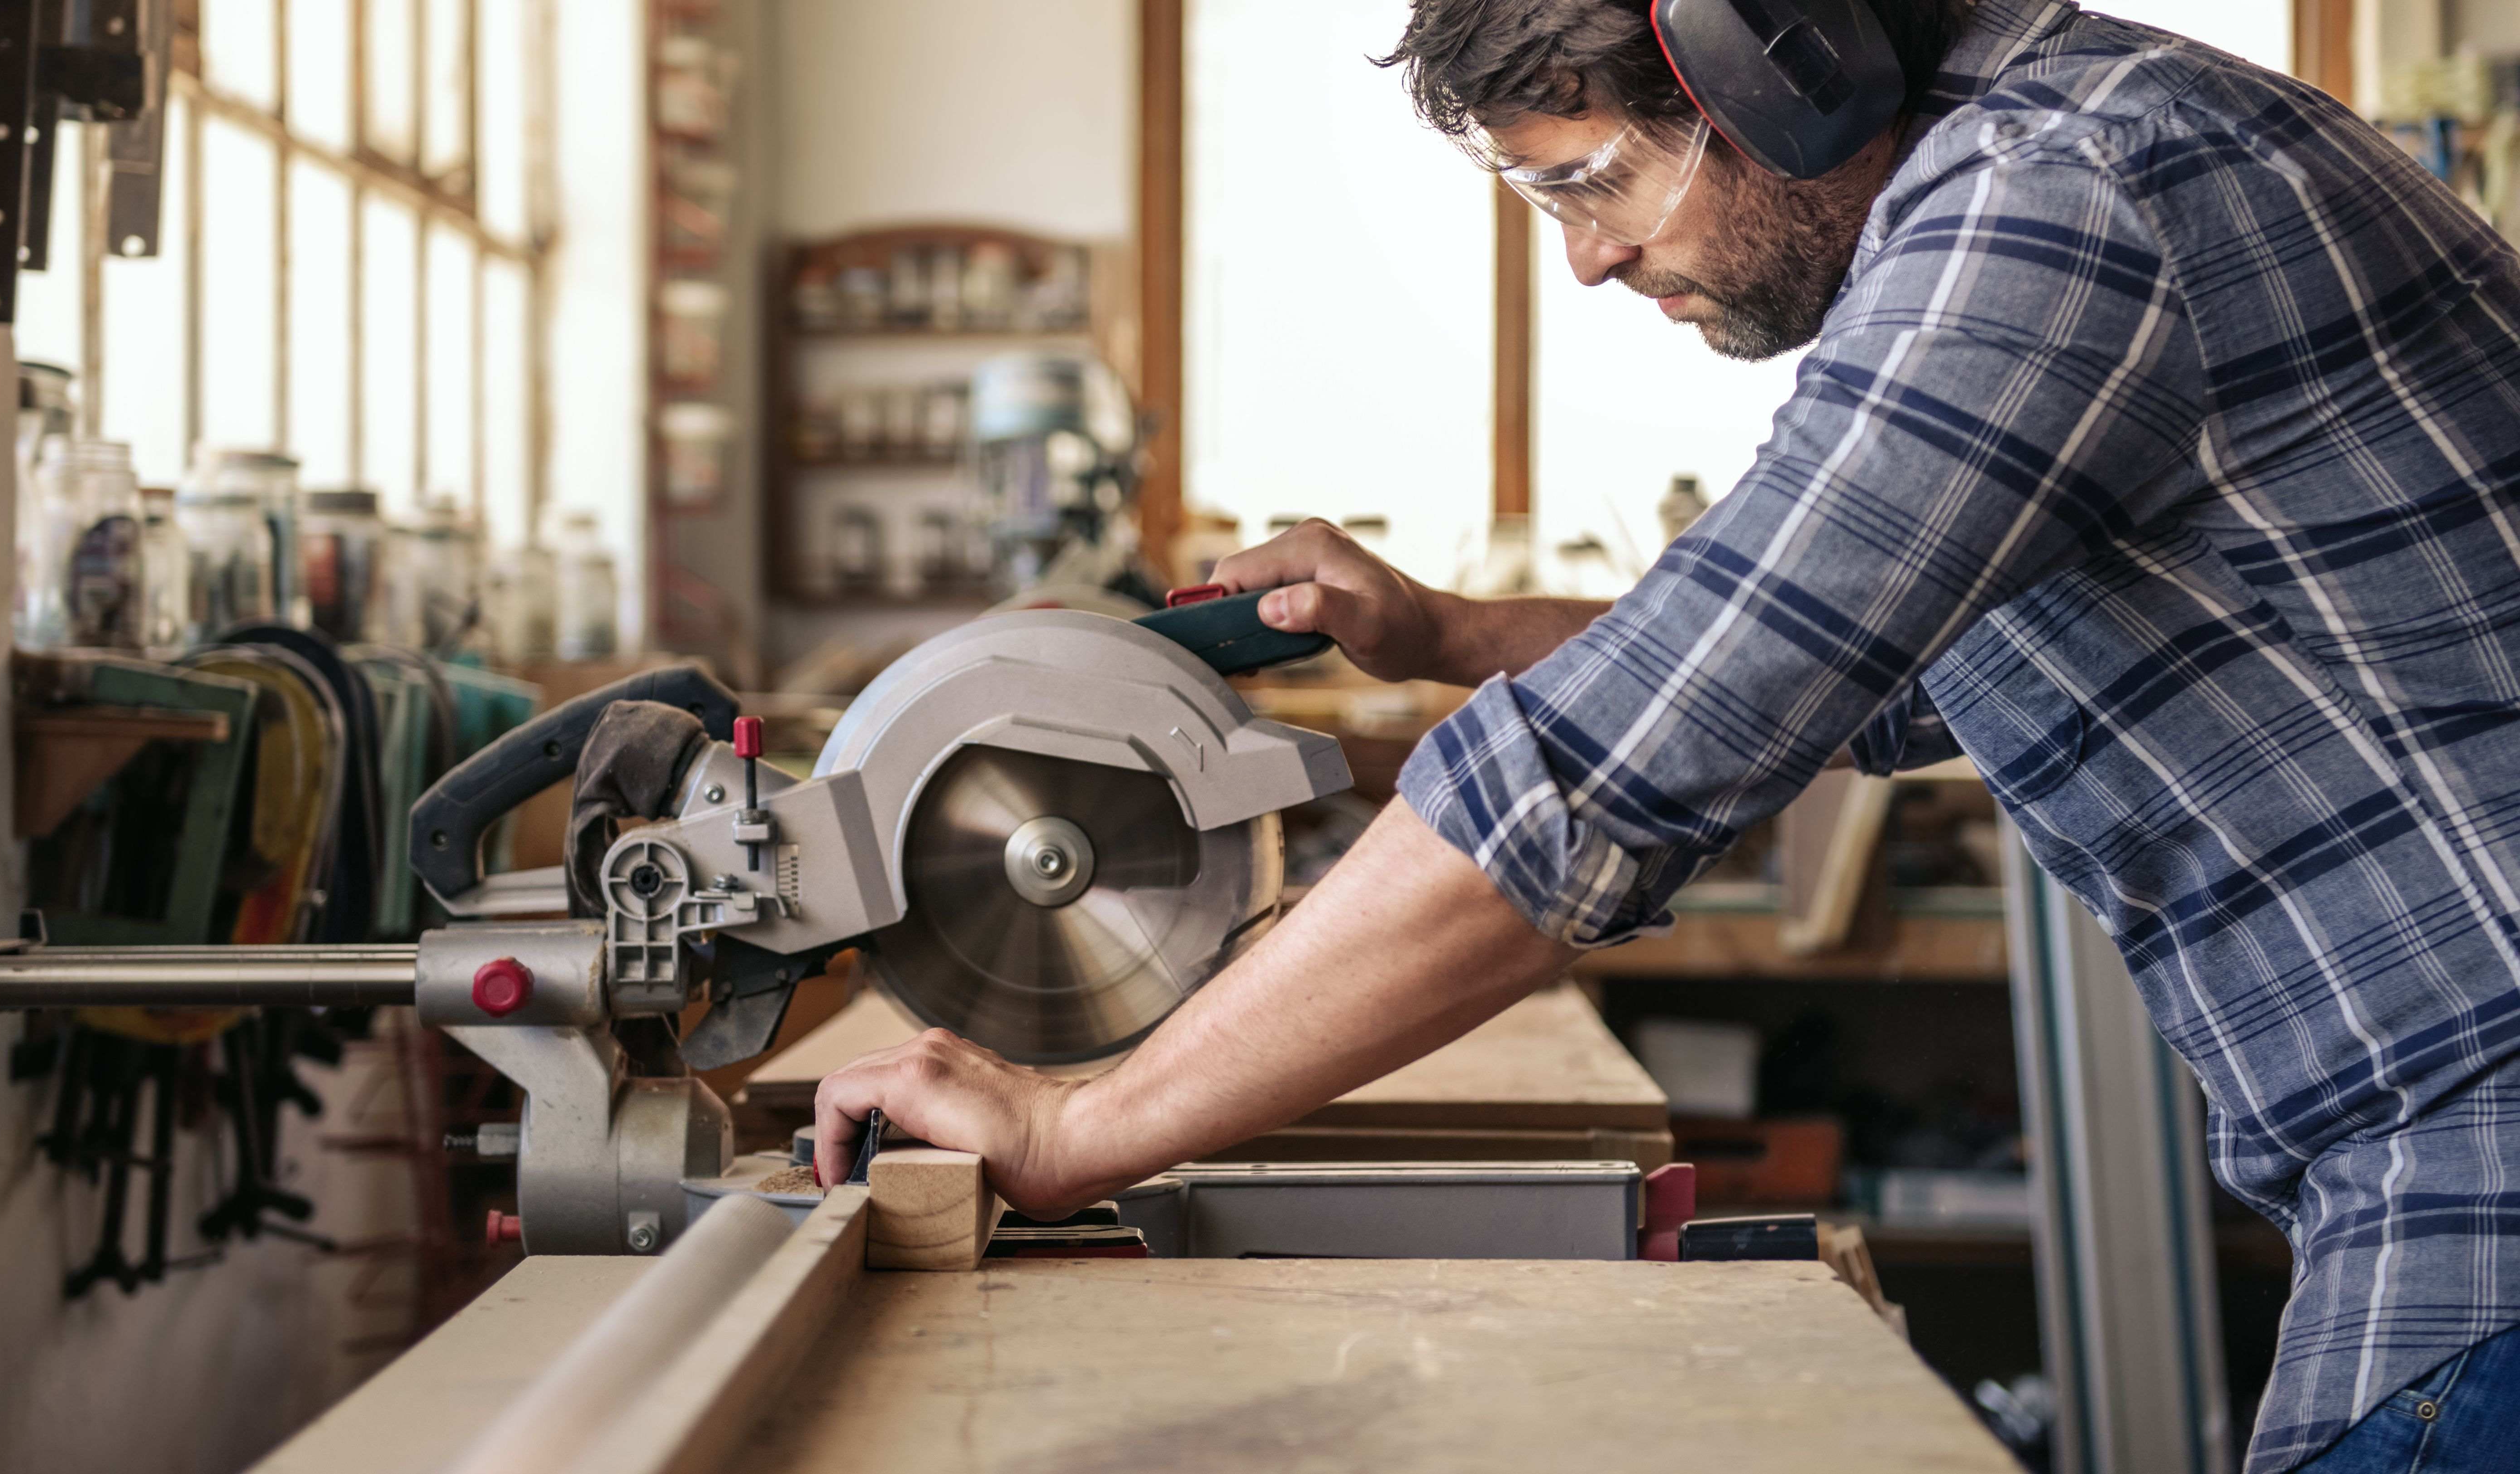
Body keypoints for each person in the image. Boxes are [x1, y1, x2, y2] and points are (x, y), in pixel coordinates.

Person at [812, 2, 2520, 1467]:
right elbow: (1855, 676)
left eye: (1592, 181)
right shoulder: (2082, 151)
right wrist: (1447, 636)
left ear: (1779, 65)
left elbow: (1610, 775)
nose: (1589, 255)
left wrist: (1074, 1127)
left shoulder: (2055, 203)